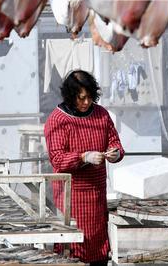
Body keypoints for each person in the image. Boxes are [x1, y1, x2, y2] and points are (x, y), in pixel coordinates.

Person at [44, 70, 124, 266]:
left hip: (97, 195)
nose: (86, 102)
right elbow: (57, 159)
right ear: (71, 97)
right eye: (81, 98)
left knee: (98, 246)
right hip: (71, 197)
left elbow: (115, 143)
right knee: (72, 247)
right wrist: (83, 157)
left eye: (89, 97)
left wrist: (115, 153)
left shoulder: (101, 114)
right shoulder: (58, 120)